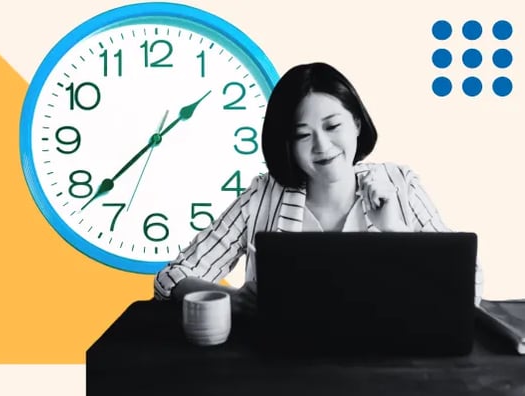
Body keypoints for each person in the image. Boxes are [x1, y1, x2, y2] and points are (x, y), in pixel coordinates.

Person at [154, 62, 483, 314]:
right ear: (288, 144)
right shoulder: (262, 197)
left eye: (332, 126)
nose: (322, 146)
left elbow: (467, 285)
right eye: (302, 134)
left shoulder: (400, 184)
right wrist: (234, 299)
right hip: (279, 369)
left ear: (356, 123)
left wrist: (394, 229)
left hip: (387, 366)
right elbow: (171, 278)